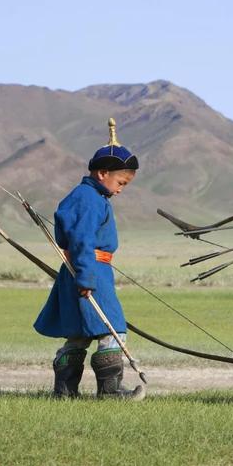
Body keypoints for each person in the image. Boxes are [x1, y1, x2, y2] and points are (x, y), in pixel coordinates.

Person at [34, 118, 145, 401]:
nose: (120, 189)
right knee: (113, 329)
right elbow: (81, 240)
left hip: (89, 271)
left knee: (81, 334)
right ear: (102, 173)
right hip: (88, 271)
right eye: (120, 182)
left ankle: (65, 392)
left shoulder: (91, 196)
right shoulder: (88, 199)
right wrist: (85, 277)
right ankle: (109, 392)